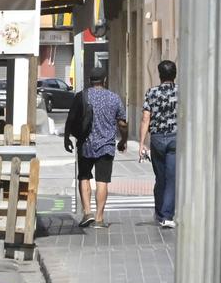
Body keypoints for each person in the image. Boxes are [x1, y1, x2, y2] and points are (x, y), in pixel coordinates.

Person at [63, 67, 128, 230]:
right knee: (102, 181)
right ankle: (99, 218)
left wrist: (66, 139)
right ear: (105, 80)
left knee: (84, 177)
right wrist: (123, 140)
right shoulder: (114, 98)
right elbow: (122, 123)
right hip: (106, 146)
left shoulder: (81, 96)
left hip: (85, 144)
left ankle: (87, 212)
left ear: (89, 80)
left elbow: (70, 119)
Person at [137, 60, 179, 229]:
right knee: (171, 178)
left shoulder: (151, 92)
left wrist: (141, 143)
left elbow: (146, 118)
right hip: (176, 138)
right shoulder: (181, 92)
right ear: (174, 74)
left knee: (160, 177)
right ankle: (167, 216)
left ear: (160, 75)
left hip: (157, 138)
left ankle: (160, 212)